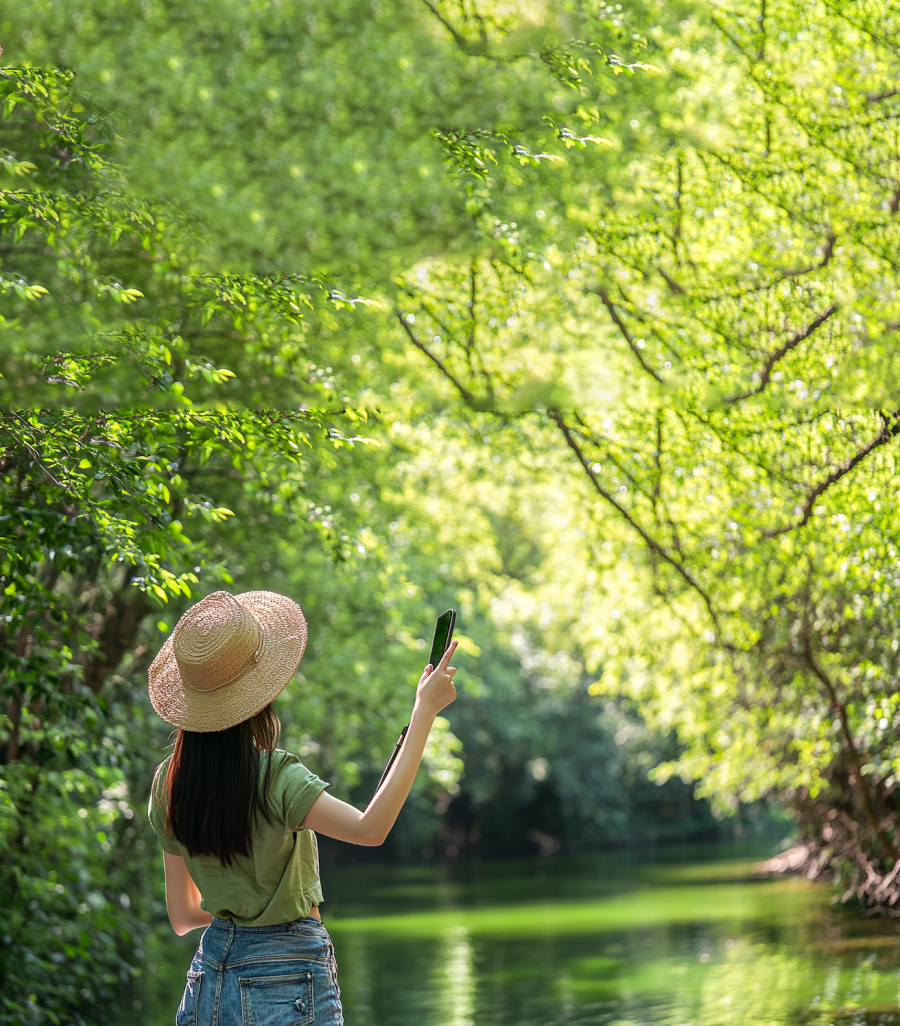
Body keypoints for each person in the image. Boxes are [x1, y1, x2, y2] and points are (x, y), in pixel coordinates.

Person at [146, 589, 458, 1025]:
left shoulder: (168, 785)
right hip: (287, 978)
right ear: (258, 694)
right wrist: (423, 711)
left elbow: (182, 916)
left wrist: (238, 903)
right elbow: (371, 828)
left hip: (207, 982)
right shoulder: (276, 777)